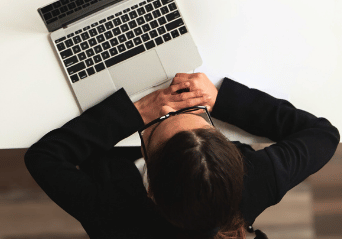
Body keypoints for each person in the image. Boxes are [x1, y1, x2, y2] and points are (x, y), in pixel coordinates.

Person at [25, 72, 339, 239]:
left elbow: (43, 157)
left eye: (159, 123)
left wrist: (137, 111)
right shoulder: (258, 178)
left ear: (150, 187)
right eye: (201, 119)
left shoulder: (110, 214)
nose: (169, 109)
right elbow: (325, 135)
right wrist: (222, 100)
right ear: (233, 157)